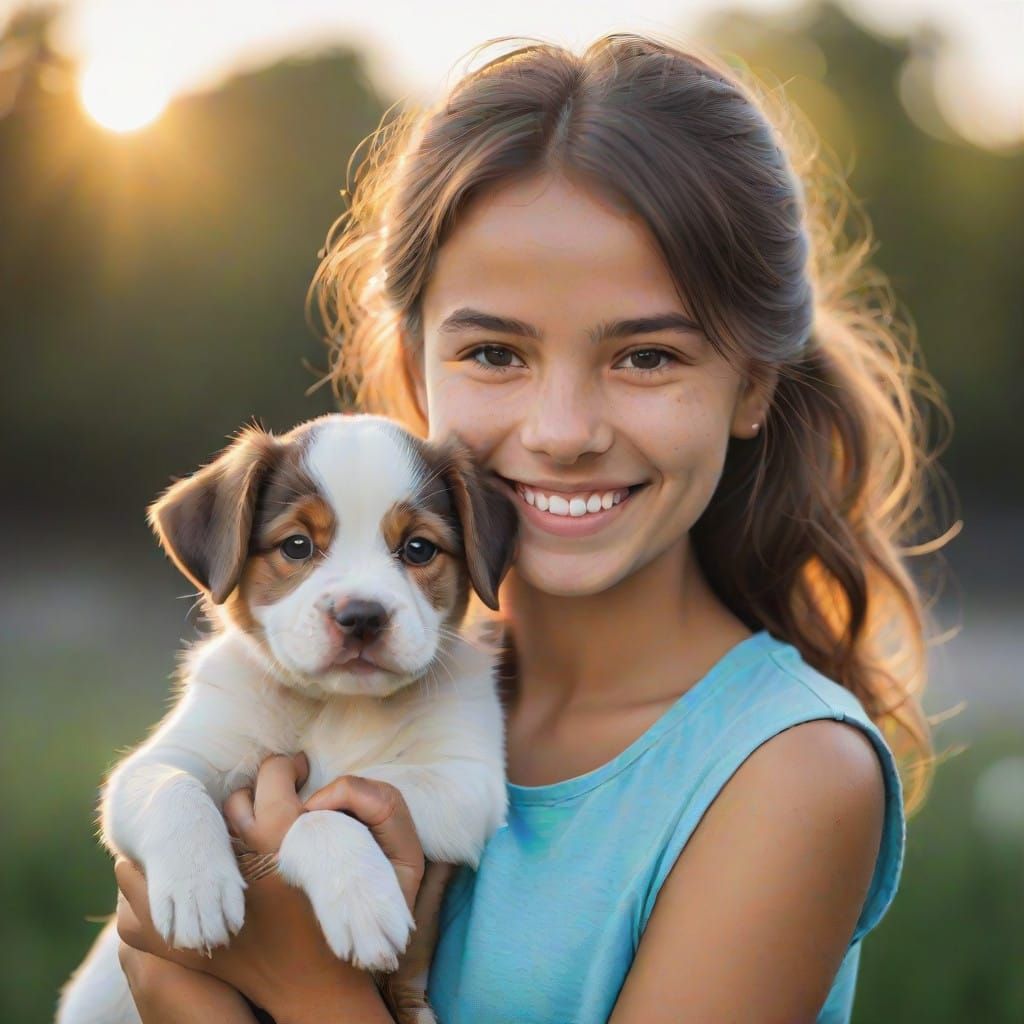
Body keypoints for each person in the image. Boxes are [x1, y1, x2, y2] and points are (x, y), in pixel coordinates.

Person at [113, 31, 955, 1024]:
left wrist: (302, 988)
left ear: (753, 384)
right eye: (494, 351)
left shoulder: (787, 775)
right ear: (417, 363)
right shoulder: (365, 681)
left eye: (645, 357)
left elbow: (192, 973)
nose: (560, 434)